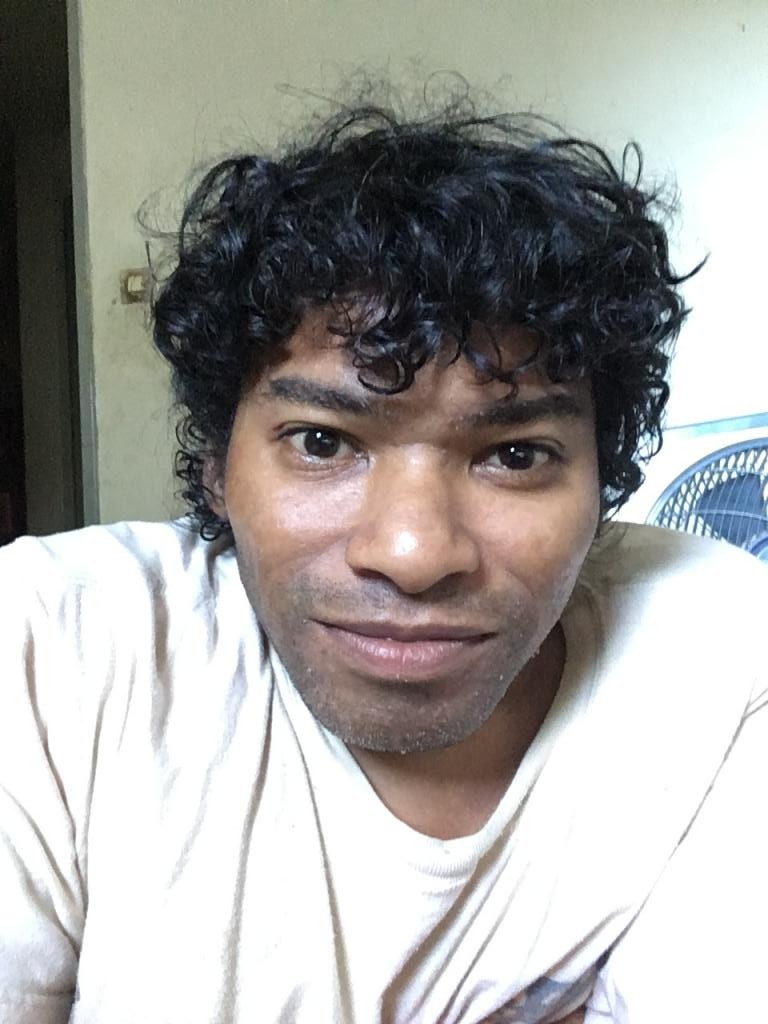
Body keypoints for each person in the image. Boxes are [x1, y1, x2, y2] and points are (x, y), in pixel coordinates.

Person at [0, 105, 765, 1024]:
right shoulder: (51, 646)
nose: (412, 554)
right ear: (216, 469)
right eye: (322, 441)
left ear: (602, 485)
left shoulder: (722, 657)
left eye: (514, 454)